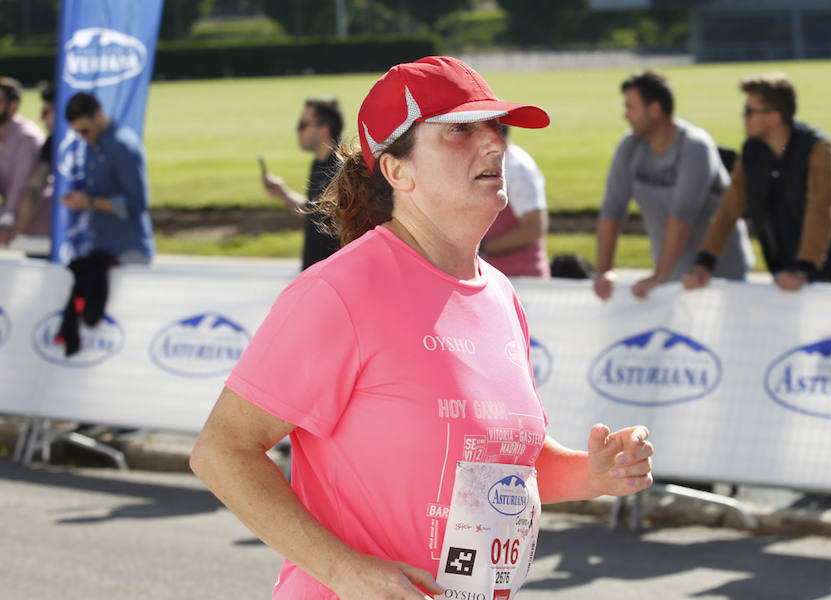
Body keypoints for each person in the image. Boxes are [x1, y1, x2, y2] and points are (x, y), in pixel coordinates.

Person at [191, 56, 654, 600]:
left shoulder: (500, 293)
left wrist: (594, 474)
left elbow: (497, 467)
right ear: (397, 170)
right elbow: (222, 450)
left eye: (494, 128)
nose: (494, 145)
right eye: (460, 130)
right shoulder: (342, 291)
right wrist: (343, 570)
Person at [684, 72, 831, 292]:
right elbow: (729, 209)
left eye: (749, 111)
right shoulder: (752, 151)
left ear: (774, 117)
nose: (743, 117)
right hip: (786, 270)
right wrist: (705, 262)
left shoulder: (818, 148)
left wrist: (804, 269)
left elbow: (821, 210)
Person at [594, 70, 752, 301]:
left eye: (631, 107)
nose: (625, 115)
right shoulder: (629, 148)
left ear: (655, 109)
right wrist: (603, 272)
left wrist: (658, 276)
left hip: (720, 278)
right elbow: (612, 210)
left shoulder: (695, 146)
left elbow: (681, 216)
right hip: (672, 280)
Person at [61, 92, 154, 264]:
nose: (82, 137)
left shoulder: (122, 145)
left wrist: (90, 202)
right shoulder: (91, 144)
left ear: (99, 115)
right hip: (100, 247)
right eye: (77, 133)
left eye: (84, 130)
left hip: (129, 249)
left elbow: (137, 203)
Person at [263, 98, 343, 269]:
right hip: (314, 275)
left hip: (330, 276)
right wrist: (284, 194)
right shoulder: (318, 164)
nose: (298, 130)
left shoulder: (340, 171)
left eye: (303, 125)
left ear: (324, 130)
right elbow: (314, 212)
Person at [480, 125, 550, 277]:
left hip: (522, 280)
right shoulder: (493, 162)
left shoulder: (517, 167)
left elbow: (533, 227)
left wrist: (483, 249)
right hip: (498, 277)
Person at [0, 77, 46, 246]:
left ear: (13, 106)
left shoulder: (26, 137)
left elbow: (20, 185)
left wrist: (6, 219)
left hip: (39, 223)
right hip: (18, 223)